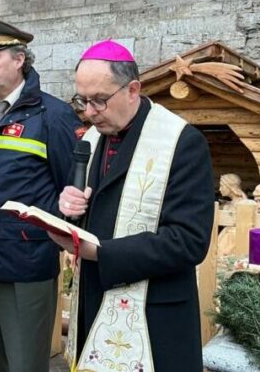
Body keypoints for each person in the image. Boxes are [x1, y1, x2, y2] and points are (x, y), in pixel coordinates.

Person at [53, 40, 215, 372]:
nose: (89, 112)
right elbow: (89, 213)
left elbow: (189, 241)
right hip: (94, 304)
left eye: (99, 100)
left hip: (155, 318)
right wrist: (67, 210)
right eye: (82, 100)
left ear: (132, 90)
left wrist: (102, 254)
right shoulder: (90, 140)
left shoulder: (181, 142)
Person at [0, 16, 83, 372]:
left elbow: (71, 191)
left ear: (19, 60)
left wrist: (59, 237)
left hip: (25, 263)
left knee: (24, 364)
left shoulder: (53, 116)